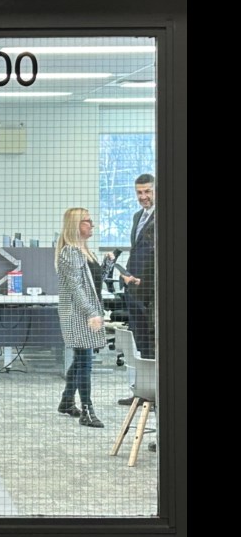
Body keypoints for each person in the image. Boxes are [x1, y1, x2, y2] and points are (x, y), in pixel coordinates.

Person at [56, 208, 107, 428]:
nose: (92, 224)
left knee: (81, 359)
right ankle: (87, 410)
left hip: (86, 312)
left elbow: (93, 283)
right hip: (78, 315)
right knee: (85, 362)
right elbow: (77, 288)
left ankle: (67, 401)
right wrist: (91, 313)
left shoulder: (85, 250)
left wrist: (107, 265)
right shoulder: (70, 252)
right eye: (87, 221)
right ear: (76, 225)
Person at [116, 173, 156, 405]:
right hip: (133, 286)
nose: (143, 197)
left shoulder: (164, 216)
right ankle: (141, 393)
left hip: (151, 291)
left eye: (148, 191)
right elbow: (138, 251)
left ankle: (154, 395)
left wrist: (147, 282)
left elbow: (159, 256)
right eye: (139, 192)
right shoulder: (137, 216)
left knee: (151, 343)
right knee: (140, 343)